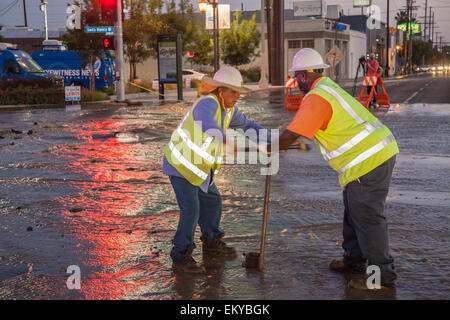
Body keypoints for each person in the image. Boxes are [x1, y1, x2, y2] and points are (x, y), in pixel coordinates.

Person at [275, 48, 399, 290]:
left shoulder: (317, 97)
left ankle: (381, 277)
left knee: (368, 220)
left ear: (302, 75)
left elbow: (291, 134)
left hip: (370, 160)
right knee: (353, 213)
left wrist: (271, 147)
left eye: (296, 77)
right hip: (365, 160)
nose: (295, 82)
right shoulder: (327, 89)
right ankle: (353, 262)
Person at [163, 66, 271, 274]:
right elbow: (208, 124)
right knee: (191, 210)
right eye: (233, 91)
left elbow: (249, 126)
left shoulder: (230, 110)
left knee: (213, 202)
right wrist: (227, 139)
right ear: (221, 91)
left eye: (239, 91)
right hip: (180, 166)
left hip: (200, 170)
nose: (238, 96)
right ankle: (180, 255)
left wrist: (274, 140)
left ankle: (211, 242)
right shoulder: (207, 103)